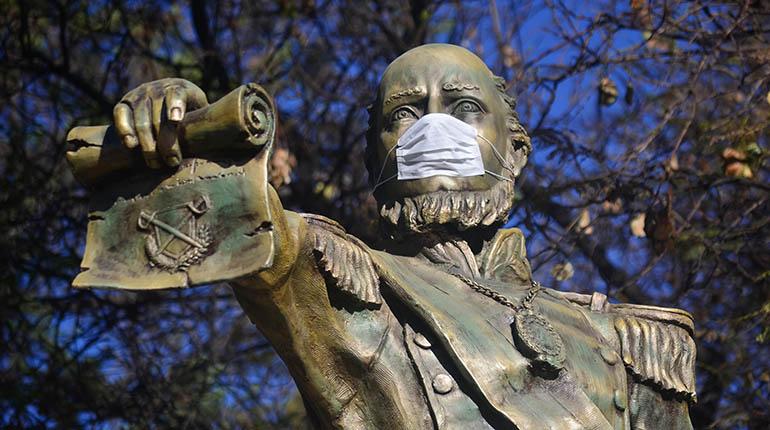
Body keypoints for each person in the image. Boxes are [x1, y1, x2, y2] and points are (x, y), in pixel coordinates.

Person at [107, 44, 696, 429]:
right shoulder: (343, 281)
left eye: (463, 107)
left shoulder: (625, 345)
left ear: (515, 151)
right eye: (405, 114)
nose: (433, 127)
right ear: (375, 159)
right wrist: (182, 139)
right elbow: (222, 223)